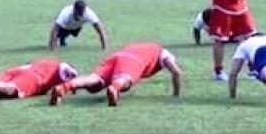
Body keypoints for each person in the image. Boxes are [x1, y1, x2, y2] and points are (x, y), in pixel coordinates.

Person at [50, 42, 182, 107]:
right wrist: (176, 95)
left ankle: (63, 88)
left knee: (94, 80)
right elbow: (176, 72)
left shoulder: (140, 46)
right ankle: (114, 89)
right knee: (124, 80)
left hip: (116, 56)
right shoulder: (163, 53)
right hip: (133, 61)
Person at [0, 58, 77, 102]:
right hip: (33, 79)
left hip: (17, 71)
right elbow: (67, 69)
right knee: (14, 90)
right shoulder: (58, 69)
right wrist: (74, 80)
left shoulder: (42, 62)